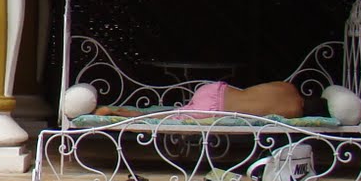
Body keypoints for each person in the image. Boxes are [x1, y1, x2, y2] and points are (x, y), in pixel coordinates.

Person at [95, 79, 306, 118]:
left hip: (215, 90)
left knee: (170, 114)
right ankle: (117, 113)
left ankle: (118, 111)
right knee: (163, 119)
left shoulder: (287, 87)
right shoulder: (294, 112)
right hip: (213, 109)